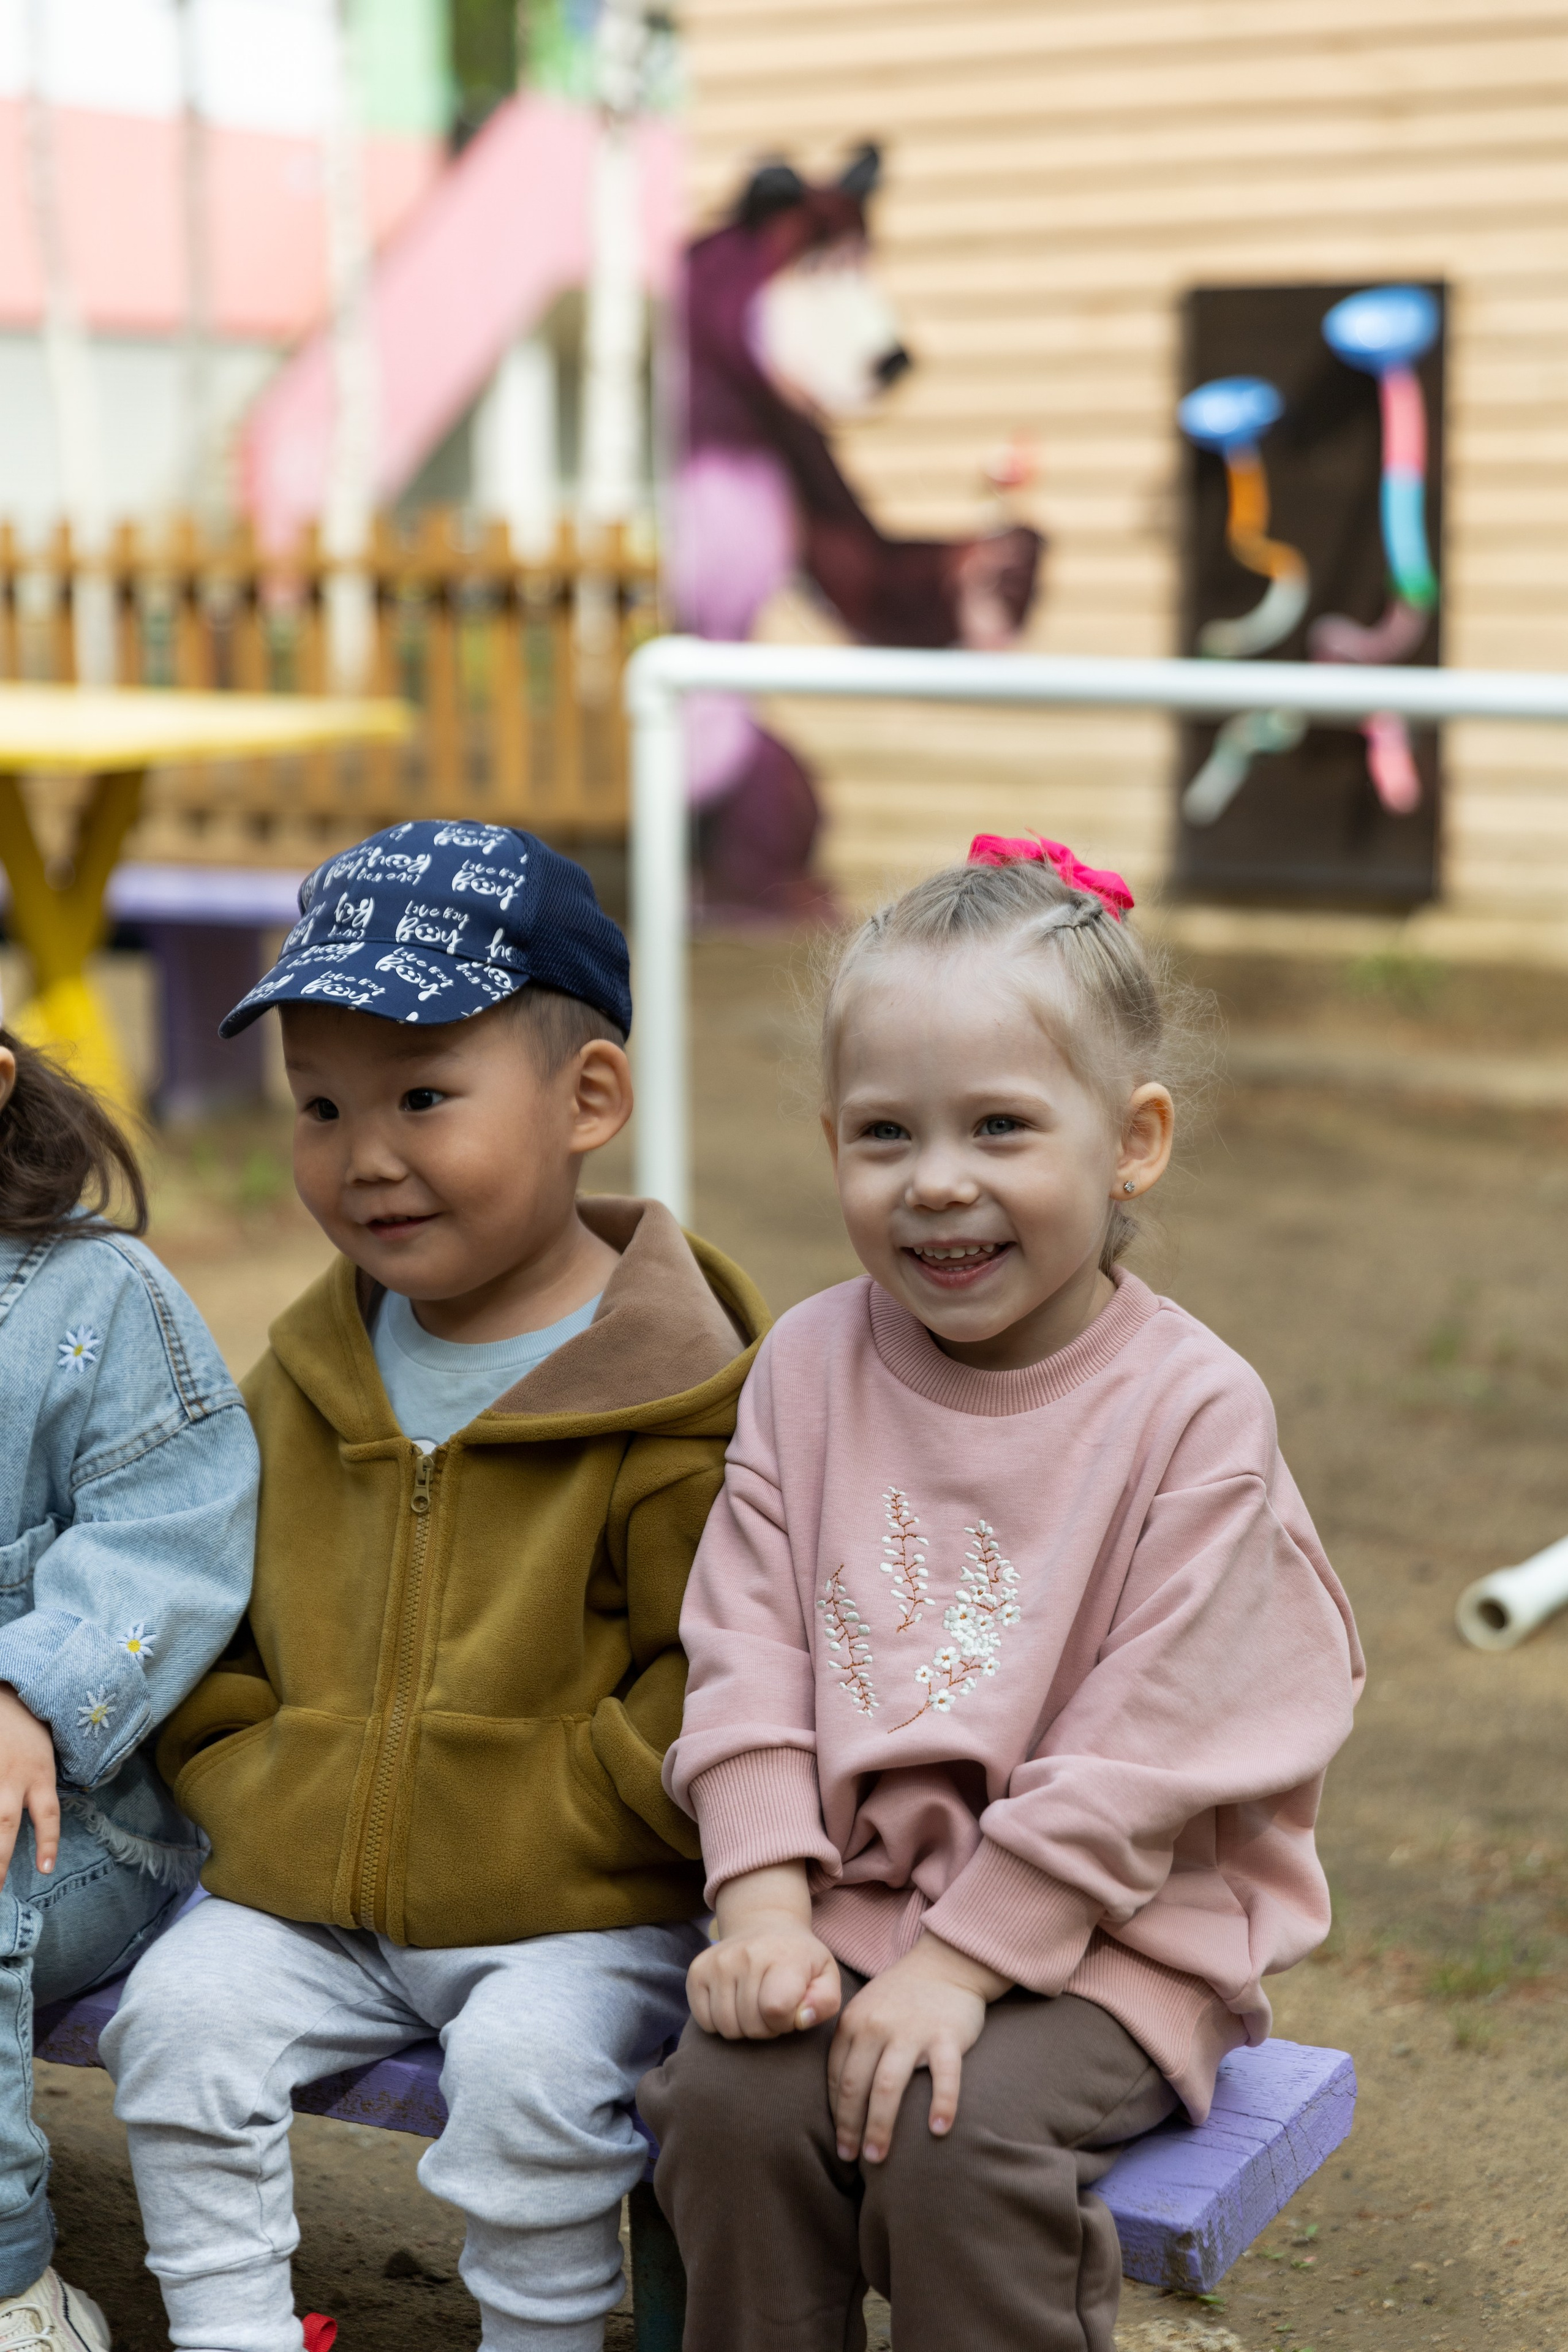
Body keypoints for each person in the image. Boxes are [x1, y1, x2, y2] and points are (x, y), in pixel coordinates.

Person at [639, 835, 1365, 2352]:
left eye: (1000, 1126)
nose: (938, 1183)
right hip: (854, 1902)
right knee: (723, 2107)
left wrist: (963, 1966)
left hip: (1114, 1936)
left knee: (952, 2136)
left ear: (1131, 1140)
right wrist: (764, 1906)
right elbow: (746, 1653)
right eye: (885, 1134)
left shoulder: (1189, 1413)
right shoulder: (807, 1368)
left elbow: (1147, 1752)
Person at [101, 821, 769, 2352]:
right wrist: (259, 1775)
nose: (366, 1156)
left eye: (422, 1097)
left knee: (535, 2083)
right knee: (179, 2023)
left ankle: (538, 2339)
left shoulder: (681, 1392)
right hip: (313, 1887)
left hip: (578, 1902)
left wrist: (580, 1807)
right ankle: (230, 2333)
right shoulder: (309, 1372)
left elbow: (717, 1667)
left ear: (587, 1096)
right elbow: (216, 1602)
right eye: (320, 1106)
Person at [0, 1023, 258, 2352]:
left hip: (80, 1822)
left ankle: (13, 2285)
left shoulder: (97, 1299)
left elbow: (171, 1533)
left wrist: (28, 1689)